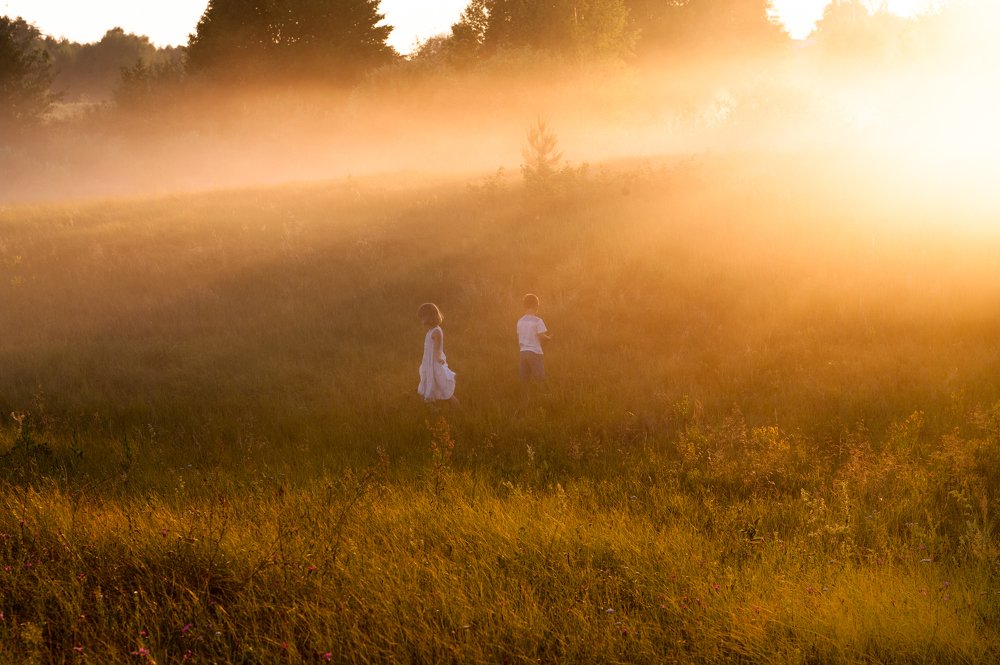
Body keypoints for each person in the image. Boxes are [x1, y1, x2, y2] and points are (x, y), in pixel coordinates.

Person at [417, 302, 458, 406]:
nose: (421, 320)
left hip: (434, 363)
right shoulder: (431, 331)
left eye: (422, 317)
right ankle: (430, 407)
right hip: (428, 362)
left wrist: (439, 358)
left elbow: (437, 349)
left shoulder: (436, 331)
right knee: (427, 382)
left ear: (429, 317)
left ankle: (454, 405)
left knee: (441, 384)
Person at [517, 293, 552, 398]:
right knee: (539, 377)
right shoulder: (538, 321)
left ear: (524, 306)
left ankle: (525, 397)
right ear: (537, 306)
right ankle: (543, 396)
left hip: (523, 352)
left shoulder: (520, 321)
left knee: (525, 378)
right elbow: (541, 336)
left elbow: (520, 336)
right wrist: (549, 338)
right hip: (535, 352)